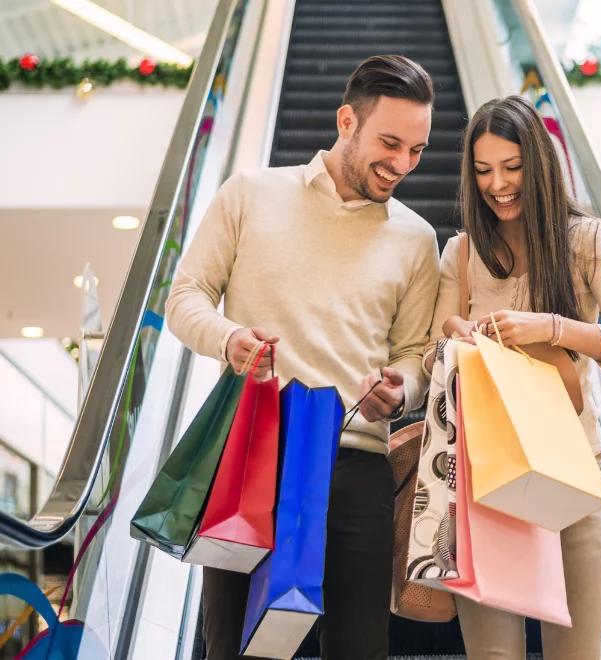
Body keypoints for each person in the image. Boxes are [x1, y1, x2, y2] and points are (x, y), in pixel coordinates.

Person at [166, 55, 440, 659]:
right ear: (347, 120)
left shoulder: (418, 239)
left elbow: (418, 353)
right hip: (253, 457)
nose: (401, 165)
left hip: (358, 465)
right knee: (236, 648)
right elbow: (184, 295)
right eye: (389, 143)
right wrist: (227, 339)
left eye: (417, 151)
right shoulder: (249, 195)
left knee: (359, 649)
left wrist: (403, 388)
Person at [427, 95, 601, 659]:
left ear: (540, 164)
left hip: (573, 468)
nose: (497, 184)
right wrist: (453, 335)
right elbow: (435, 361)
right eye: (482, 171)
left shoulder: (586, 240)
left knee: (574, 653)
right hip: (485, 479)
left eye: (511, 167)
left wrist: (548, 327)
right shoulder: (462, 253)